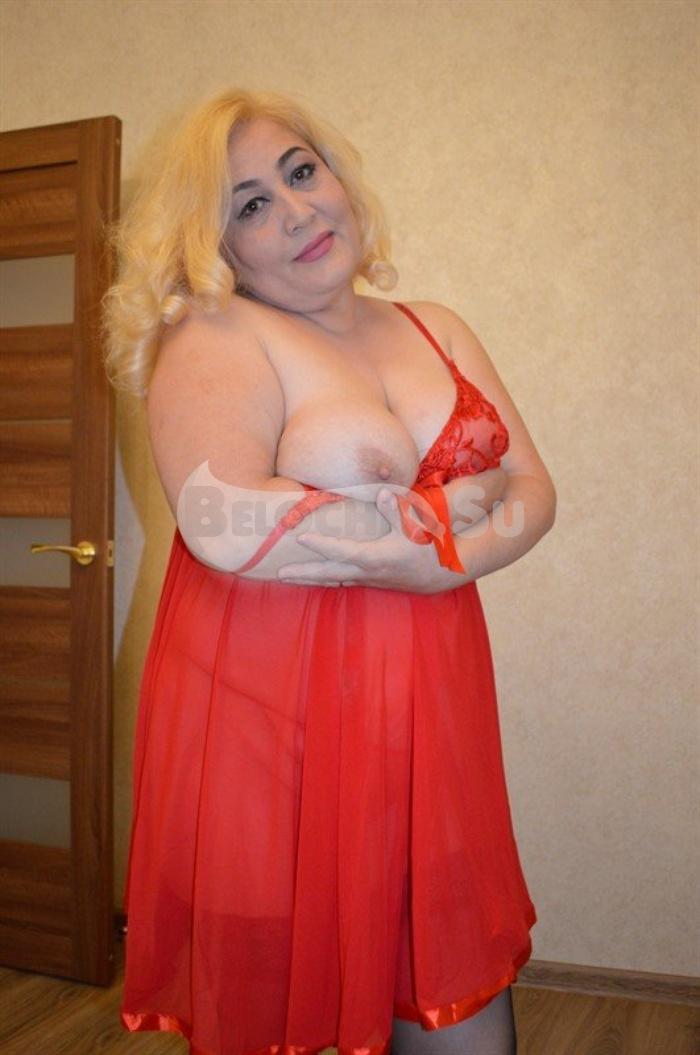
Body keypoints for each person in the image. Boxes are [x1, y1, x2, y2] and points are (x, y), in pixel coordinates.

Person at [102, 87, 556, 1055]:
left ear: (338, 175)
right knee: (289, 1018)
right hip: (274, 728)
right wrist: (458, 508)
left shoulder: (435, 325)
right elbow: (224, 520)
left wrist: (441, 566)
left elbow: (532, 488)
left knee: (455, 1008)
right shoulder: (216, 334)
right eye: (250, 204)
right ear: (216, 246)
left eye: (301, 171)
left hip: (428, 712)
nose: (297, 210)